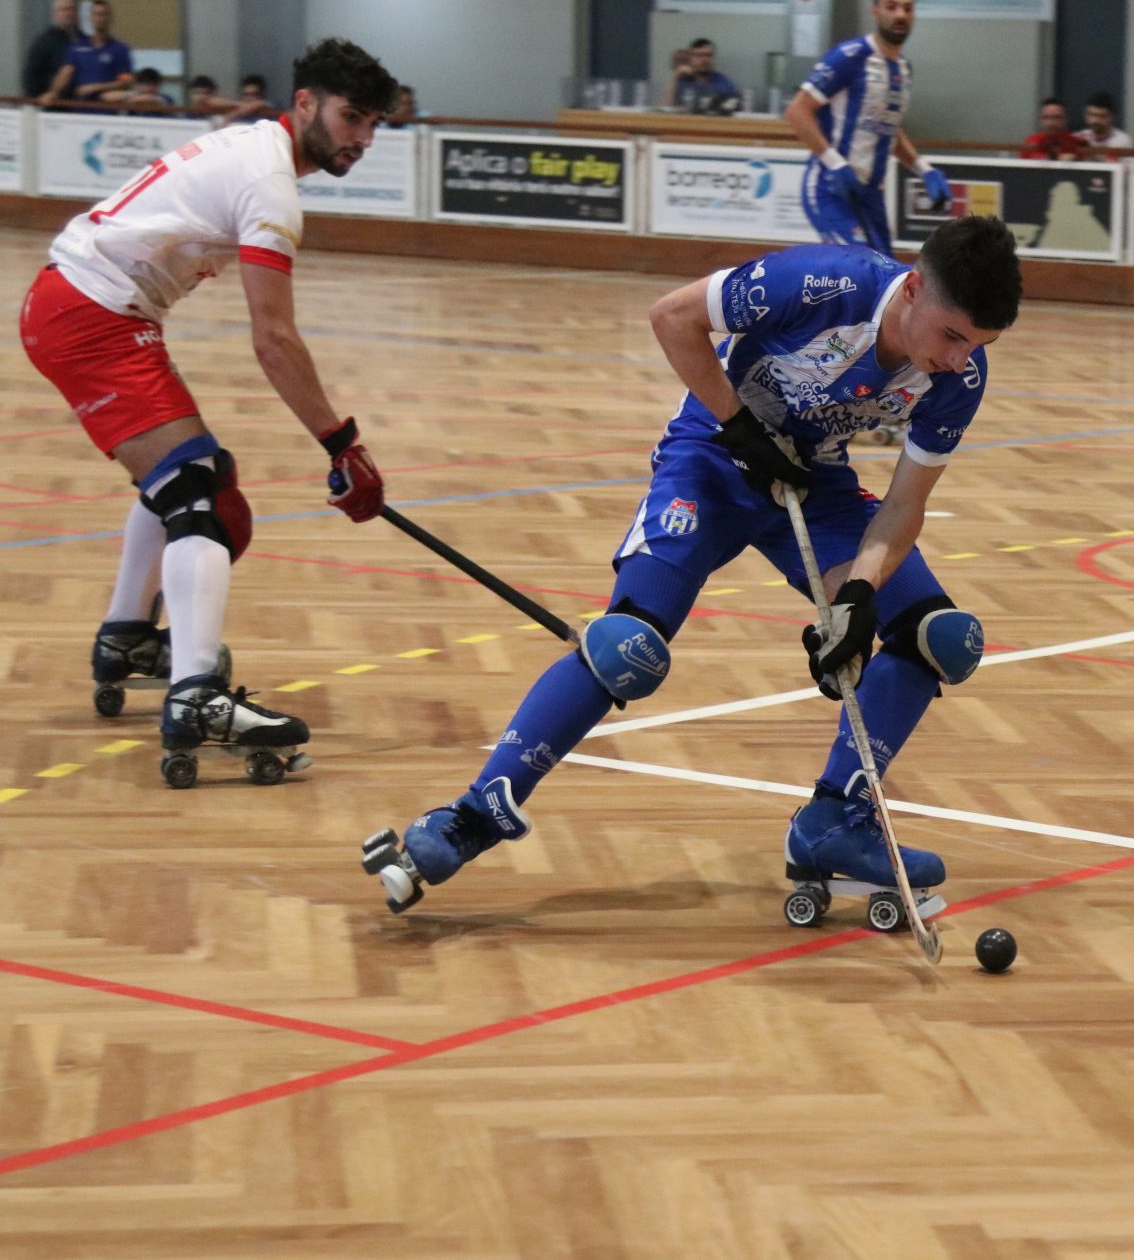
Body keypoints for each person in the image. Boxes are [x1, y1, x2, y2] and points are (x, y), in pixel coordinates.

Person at [361, 216, 1022, 916]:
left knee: (938, 637)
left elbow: (905, 503)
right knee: (627, 648)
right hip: (713, 457)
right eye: (953, 335)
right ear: (913, 289)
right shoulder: (822, 282)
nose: (959, 359)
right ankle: (470, 817)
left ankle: (835, 822)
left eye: (978, 345)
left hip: (812, 480)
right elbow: (672, 317)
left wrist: (859, 595)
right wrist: (738, 423)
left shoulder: (961, 374)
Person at [17, 39, 398, 786]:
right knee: (205, 500)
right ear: (305, 104)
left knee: (187, 480)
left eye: (373, 124)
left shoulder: (256, 147)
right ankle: (196, 697)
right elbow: (273, 338)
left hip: (85, 307)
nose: (362, 137)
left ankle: (130, 636)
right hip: (90, 315)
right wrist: (342, 443)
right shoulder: (270, 185)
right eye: (351, 117)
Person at [785, 0, 951, 258]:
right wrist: (836, 164)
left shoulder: (904, 69)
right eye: (892, 7)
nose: (900, 15)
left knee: (886, 272)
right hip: (830, 187)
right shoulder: (849, 56)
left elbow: (890, 129)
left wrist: (924, 169)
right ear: (875, 11)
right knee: (859, 266)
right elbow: (797, 111)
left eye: (907, 8)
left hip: (870, 194)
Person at [39, 0, 134, 110]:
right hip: (81, 110)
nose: (100, 18)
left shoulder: (120, 49)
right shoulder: (78, 47)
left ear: (110, 18)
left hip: (107, 111)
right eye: (96, 14)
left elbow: (126, 82)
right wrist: (52, 92)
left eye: (103, 14)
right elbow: (65, 73)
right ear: (91, 18)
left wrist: (95, 87)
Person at [22, 0, 79, 100]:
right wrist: (37, 99)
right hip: (52, 103)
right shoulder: (43, 42)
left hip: (80, 104)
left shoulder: (85, 41)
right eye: (63, 9)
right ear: (54, 14)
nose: (68, 13)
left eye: (72, 9)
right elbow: (30, 75)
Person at [671, 39, 741, 114]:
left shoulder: (724, 84)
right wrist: (675, 76)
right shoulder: (683, 81)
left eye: (709, 55)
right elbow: (667, 110)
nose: (705, 60)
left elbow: (734, 112)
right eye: (699, 55)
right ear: (690, 58)